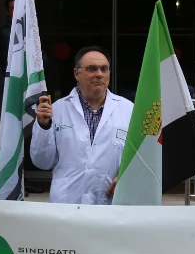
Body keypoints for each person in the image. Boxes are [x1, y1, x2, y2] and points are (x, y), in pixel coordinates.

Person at [31, 46, 134, 204]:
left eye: (104, 69)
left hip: (111, 203)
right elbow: (42, 162)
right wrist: (43, 126)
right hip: (67, 204)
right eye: (92, 69)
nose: (99, 74)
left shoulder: (129, 110)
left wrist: (127, 177)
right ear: (76, 74)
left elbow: (141, 156)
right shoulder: (57, 110)